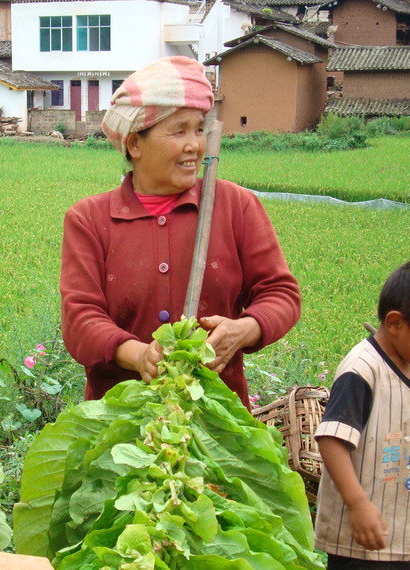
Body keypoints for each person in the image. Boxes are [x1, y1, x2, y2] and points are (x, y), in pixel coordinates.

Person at [60, 56, 301, 408]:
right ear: (134, 144)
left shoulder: (235, 206)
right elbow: (81, 320)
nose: (194, 146)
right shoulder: (90, 220)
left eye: (199, 129)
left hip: (217, 421)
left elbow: (281, 294)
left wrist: (243, 330)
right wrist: (139, 355)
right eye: (178, 131)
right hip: (120, 424)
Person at [314, 257, 410, 569]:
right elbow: (331, 441)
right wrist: (358, 505)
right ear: (396, 323)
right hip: (364, 532)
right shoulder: (361, 371)